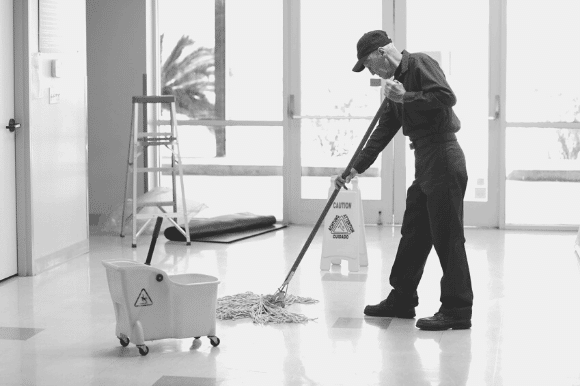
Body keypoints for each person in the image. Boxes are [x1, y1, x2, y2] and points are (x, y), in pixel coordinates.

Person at [335, 30, 473, 330]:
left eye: (370, 65)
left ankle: (457, 310)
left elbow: (447, 97)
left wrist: (406, 96)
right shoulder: (393, 89)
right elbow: (382, 132)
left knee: (447, 237)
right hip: (425, 160)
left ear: (382, 54)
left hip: (444, 156)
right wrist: (353, 169)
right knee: (414, 232)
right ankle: (402, 299)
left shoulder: (420, 63)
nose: (371, 72)